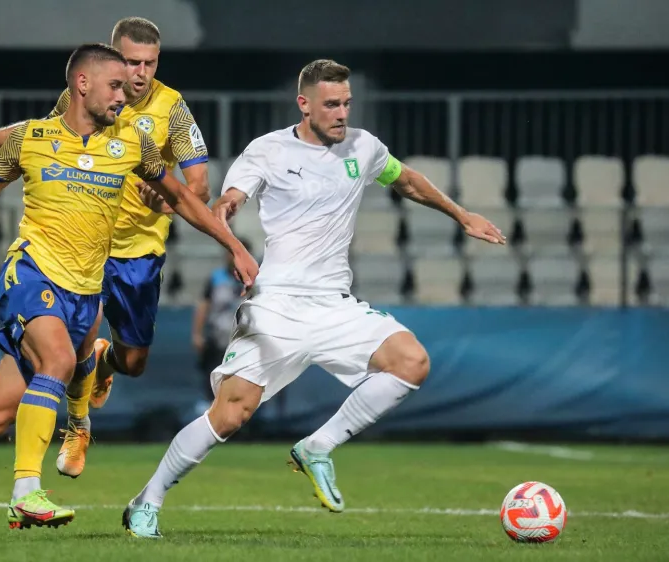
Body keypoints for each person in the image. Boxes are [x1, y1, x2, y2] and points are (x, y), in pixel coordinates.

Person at [0, 43, 258, 531]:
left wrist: (232, 244)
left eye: (127, 90)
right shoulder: (32, 138)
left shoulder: (133, 144)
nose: (123, 97)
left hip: (86, 295)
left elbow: (184, 200)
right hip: (31, 274)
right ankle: (26, 492)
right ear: (82, 84)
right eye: (114, 87)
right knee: (60, 363)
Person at [122, 59, 505, 539]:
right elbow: (231, 199)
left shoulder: (363, 147)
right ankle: (147, 499)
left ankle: (317, 447)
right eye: (331, 104)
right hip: (277, 302)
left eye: (346, 102)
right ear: (304, 104)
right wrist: (227, 221)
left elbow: (406, 180)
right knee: (230, 413)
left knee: (411, 362)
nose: (341, 112)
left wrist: (461, 213)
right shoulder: (267, 150)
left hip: (334, 304)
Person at [0, 17, 211, 478]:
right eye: (131, 62)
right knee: (62, 355)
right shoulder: (93, 98)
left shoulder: (173, 109)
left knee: (134, 363)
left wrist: (165, 199)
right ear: (114, 59)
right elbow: (40, 131)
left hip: (137, 252)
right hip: (79, 249)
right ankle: (74, 429)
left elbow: (197, 183)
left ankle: (103, 362)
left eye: (150, 63)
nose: (139, 73)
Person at [192, 241, 252, 404]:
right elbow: (204, 304)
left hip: (243, 343)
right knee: (214, 382)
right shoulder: (216, 278)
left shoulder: (253, 279)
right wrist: (197, 334)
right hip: (218, 339)